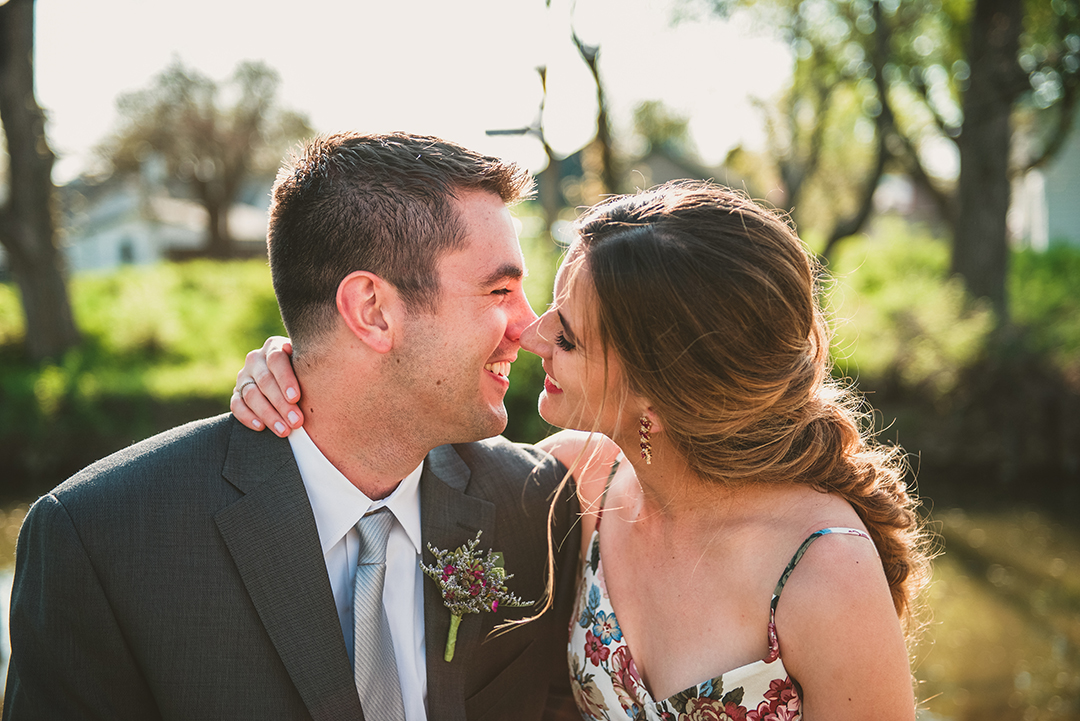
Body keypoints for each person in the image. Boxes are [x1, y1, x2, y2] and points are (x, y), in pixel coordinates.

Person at [238, 180, 931, 720]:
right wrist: (300, 373)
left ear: (662, 390)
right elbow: (392, 456)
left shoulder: (825, 570)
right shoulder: (578, 482)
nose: (530, 335)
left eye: (567, 336)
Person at [4, 132, 581, 721]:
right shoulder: (101, 540)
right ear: (372, 311)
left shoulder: (536, 504)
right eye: (500, 290)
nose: (530, 328)